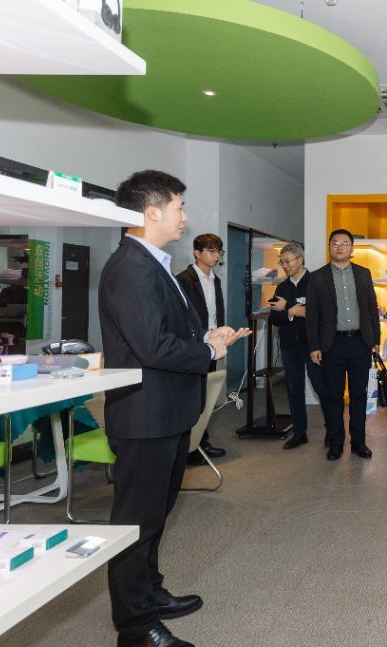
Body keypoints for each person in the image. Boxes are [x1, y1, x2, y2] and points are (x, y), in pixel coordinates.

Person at [99, 170, 249, 647]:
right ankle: (136, 627)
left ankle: (150, 594)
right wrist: (207, 350)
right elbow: (152, 346)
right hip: (145, 415)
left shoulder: (153, 263)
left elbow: (166, 332)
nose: (185, 217)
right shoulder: (131, 267)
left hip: (164, 412)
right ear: (151, 212)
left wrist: (206, 336)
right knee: (135, 525)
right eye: (179, 207)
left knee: (154, 517)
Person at [306, 229, 381, 461]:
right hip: (332, 345)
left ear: (352, 248)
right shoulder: (317, 277)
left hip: (360, 342)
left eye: (344, 243)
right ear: (329, 247)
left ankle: (358, 442)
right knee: (333, 396)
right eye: (335, 243)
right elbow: (312, 316)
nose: (339, 246)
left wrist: (375, 340)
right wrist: (314, 346)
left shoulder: (363, 274)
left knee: (359, 395)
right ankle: (336, 442)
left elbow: (371, 309)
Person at [269, 242, 329, 450]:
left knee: (321, 387)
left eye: (287, 261)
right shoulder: (282, 288)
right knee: (294, 389)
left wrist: (288, 308)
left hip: (313, 346)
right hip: (289, 347)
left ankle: (332, 430)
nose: (284, 266)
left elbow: (322, 314)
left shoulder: (316, 282)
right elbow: (274, 318)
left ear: (300, 260)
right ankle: (299, 433)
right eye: (282, 262)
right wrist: (291, 311)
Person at [175, 233, 227, 463]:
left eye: (219, 252)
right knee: (191, 397)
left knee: (205, 395)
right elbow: (181, 317)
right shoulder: (184, 279)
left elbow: (216, 313)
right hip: (194, 347)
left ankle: (200, 442)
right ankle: (190, 447)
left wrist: (222, 335)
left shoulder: (215, 279)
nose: (216, 256)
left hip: (213, 344)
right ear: (197, 253)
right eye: (211, 251)